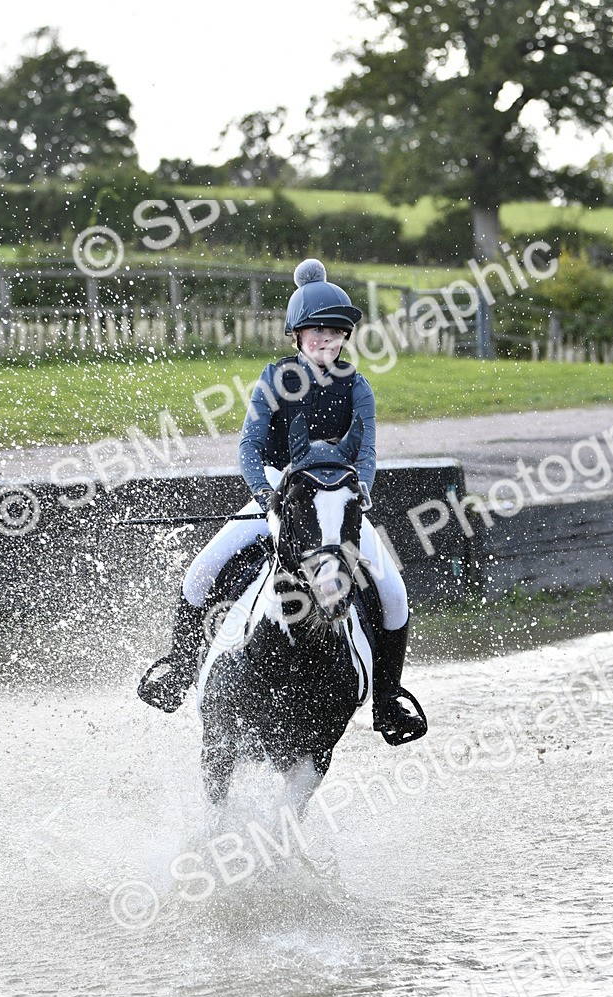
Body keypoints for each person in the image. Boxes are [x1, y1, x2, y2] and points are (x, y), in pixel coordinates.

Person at [138, 258, 427, 745]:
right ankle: (181, 671)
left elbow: (368, 451)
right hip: (281, 490)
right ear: (296, 335)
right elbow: (248, 448)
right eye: (315, 332)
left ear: (344, 338)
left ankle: (387, 701)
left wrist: (361, 491)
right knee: (202, 571)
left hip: (337, 498)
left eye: (334, 332)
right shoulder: (273, 381)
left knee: (393, 592)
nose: (325, 340)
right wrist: (263, 495)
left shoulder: (358, 388)